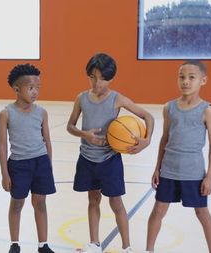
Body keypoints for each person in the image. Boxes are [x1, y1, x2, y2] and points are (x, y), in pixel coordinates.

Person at [66, 53, 155, 253]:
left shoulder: (117, 99)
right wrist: (84, 134)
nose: (97, 83)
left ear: (111, 78)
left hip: (109, 160)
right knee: (93, 200)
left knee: (116, 203)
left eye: (102, 78)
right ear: (87, 75)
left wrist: (146, 140)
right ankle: (94, 243)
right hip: (87, 158)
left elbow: (147, 116)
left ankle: (127, 247)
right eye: (92, 77)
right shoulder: (81, 98)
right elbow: (70, 126)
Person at [144, 60, 211, 253]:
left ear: (203, 80)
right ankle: (148, 249)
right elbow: (164, 138)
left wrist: (209, 176)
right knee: (158, 211)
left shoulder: (207, 111)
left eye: (191, 77)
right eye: (182, 77)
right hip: (169, 170)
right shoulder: (169, 108)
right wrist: (157, 168)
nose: (185, 81)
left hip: (193, 173)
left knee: (202, 213)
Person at [0, 63, 56, 253]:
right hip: (18, 165)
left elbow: (47, 141)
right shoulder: (6, 113)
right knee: (17, 204)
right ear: (17, 89)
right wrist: (4, 174)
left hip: (40, 163)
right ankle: (15, 244)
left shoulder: (42, 113)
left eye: (38, 88)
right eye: (31, 88)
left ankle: (43, 244)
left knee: (40, 203)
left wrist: (49, 166)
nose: (35, 92)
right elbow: (2, 145)